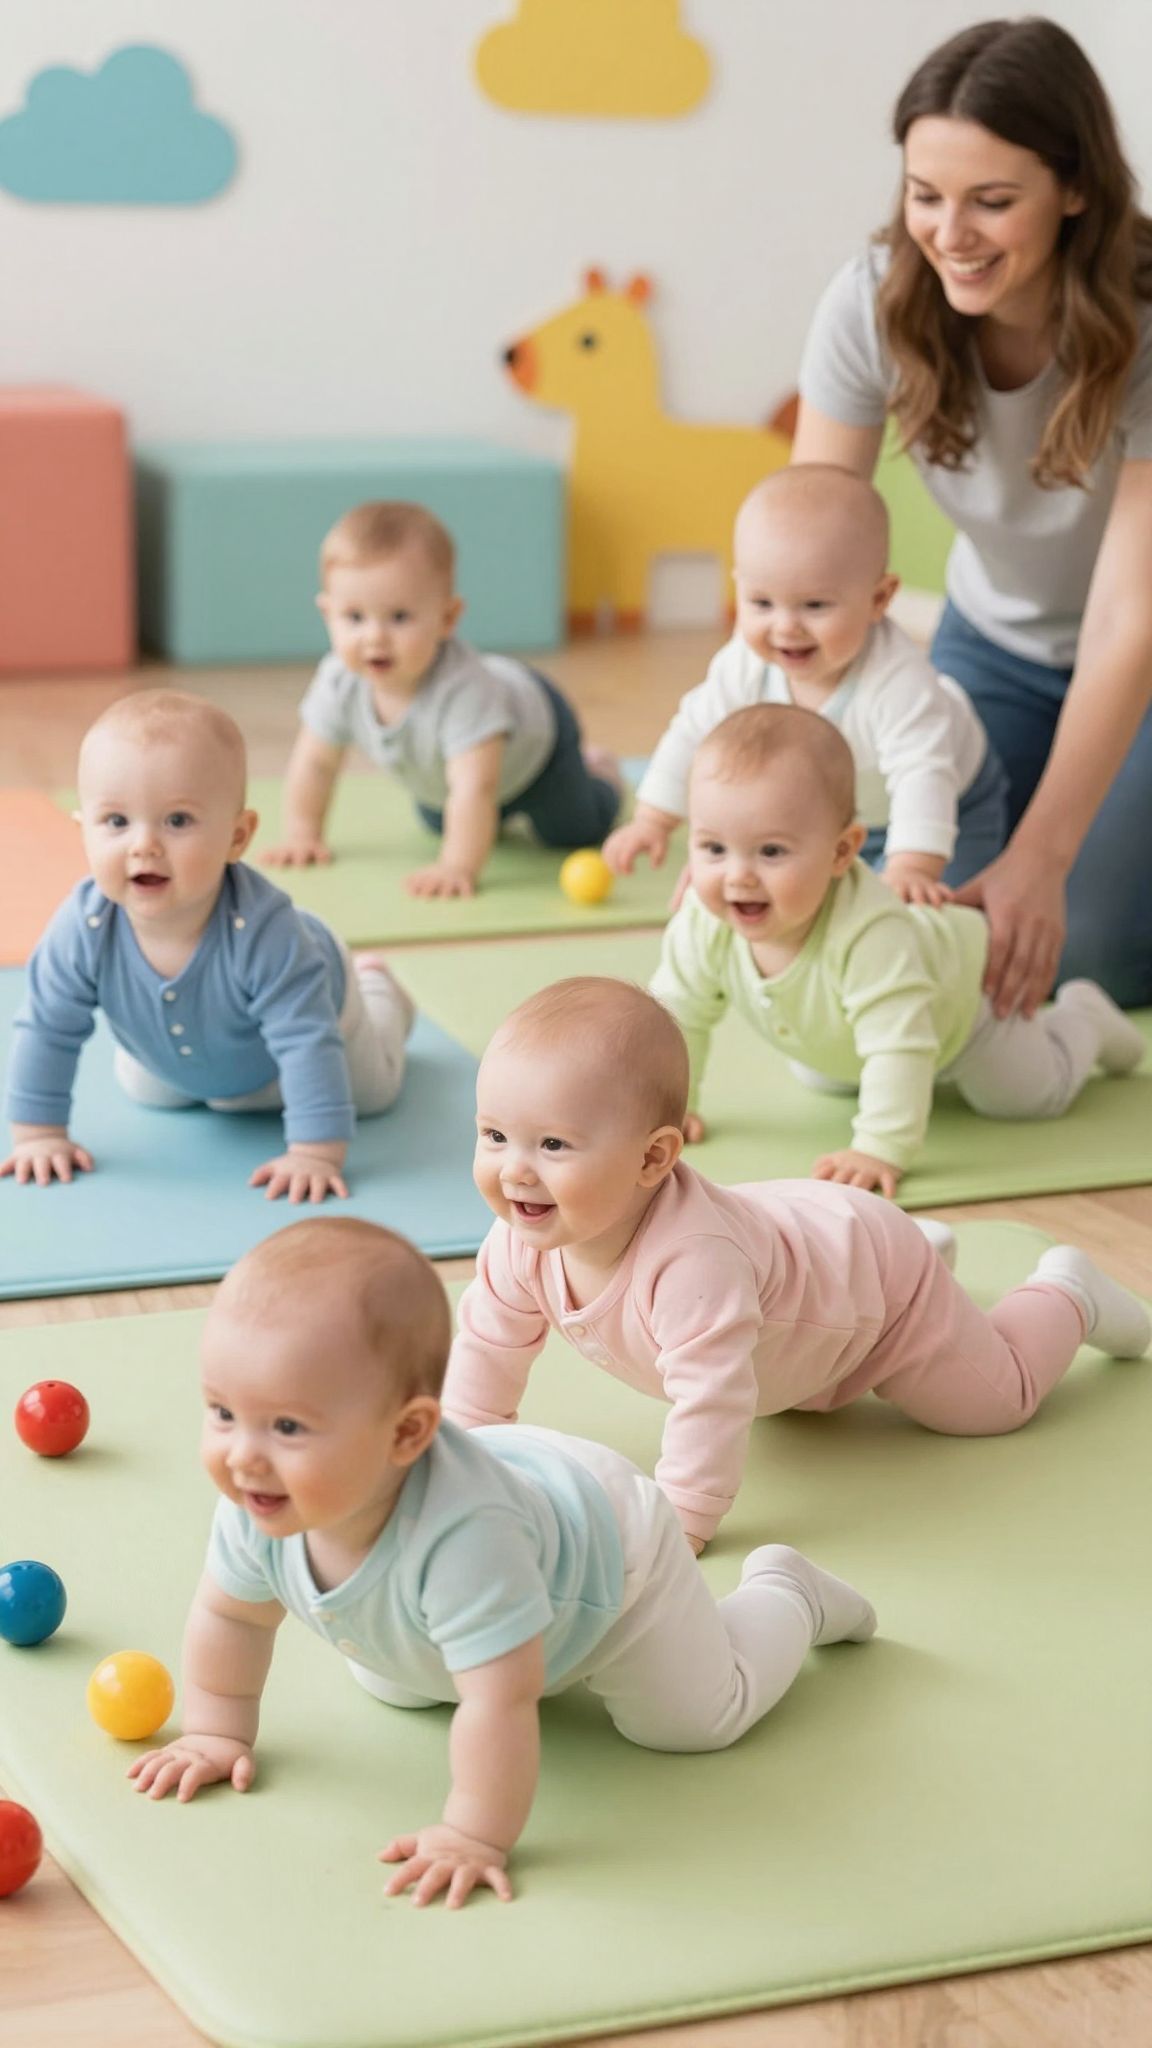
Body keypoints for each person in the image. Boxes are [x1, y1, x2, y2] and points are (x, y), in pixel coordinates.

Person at [127, 1219, 877, 1908]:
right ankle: (473, 1639)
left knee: (690, 1723)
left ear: (407, 1434)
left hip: (614, 1560)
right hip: (505, 1493)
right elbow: (232, 1616)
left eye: (287, 1427)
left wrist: (473, 1831)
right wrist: (217, 1732)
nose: (243, 1456)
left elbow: (500, 1704)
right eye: (223, 1413)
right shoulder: (261, 1500)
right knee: (396, 1686)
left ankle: (787, 1591)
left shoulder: (467, 1544)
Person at [443, 975, 1149, 1551]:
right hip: (800, 1260)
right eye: (495, 1135)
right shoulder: (519, 1241)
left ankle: (1066, 1291)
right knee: (790, 1360)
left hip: (878, 1288)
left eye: (553, 1146)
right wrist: (464, 1457)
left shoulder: (692, 1267)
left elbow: (712, 1399)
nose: (514, 1171)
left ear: (654, 1158)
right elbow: (487, 1349)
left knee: (996, 1404)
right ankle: (924, 1249)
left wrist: (683, 1515)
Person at [793, 16, 1152, 1012]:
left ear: (1075, 189)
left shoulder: (1146, 320)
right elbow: (802, 563)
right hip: (995, 648)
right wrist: (754, 812)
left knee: (1085, 949)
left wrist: (1044, 857)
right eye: (926, 195)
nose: (951, 234)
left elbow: (1129, 619)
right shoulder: (871, 303)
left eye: (992, 202)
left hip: (1140, 658)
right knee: (926, 919)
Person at [649, 705, 1144, 1192]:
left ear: (842, 852)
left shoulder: (871, 933)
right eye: (714, 848)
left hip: (971, 1009)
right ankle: (893, 1079)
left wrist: (879, 1146)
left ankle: (1085, 1017)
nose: (738, 876)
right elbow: (676, 1016)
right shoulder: (702, 921)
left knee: (1024, 1097)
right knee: (825, 1077)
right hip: (852, 1034)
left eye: (771, 851)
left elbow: (899, 1045)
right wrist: (672, 1108)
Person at [1, 692, 412, 1203]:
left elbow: (306, 1043)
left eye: (177, 820)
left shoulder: (266, 934)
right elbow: (46, 1028)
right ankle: (204, 1077)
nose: (143, 845)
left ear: (237, 837)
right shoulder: (82, 926)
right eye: (117, 822)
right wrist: (38, 1134)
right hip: (185, 1053)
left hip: (317, 1011)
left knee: (374, 1094)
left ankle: (379, 989)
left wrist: (314, 1152)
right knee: (149, 1091)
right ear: (83, 831)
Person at [603, 466, 1006, 903]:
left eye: (814, 605)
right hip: (834, 817)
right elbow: (694, 733)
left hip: (955, 804)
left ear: (879, 599)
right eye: (761, 603)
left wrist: (911, 867)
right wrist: (653, 819)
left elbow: (922, 776)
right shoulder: (745, 665)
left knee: (937, 911)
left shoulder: (898, 682)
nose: (785, 627)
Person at [262, 501, 621, 898]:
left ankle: (600, 770)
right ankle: (493, 815)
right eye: (354, 617)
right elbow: (315, 763)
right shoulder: (338, 680)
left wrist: (457, 866)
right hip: (451, 773)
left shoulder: (464, 691)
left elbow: (475, 788)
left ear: (447, 618)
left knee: (571, 831)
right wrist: (303, 834)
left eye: (399, 617)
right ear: (327, 614)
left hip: (538, 747)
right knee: (437, 821)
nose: (374, 637)